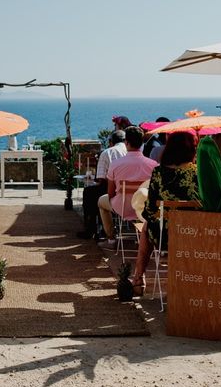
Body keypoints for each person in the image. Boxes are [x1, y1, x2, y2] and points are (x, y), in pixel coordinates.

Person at [132, 131, 199, 294]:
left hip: (164, 235)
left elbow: (150, 208)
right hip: (195, 233)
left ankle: (138, 278)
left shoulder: (158, 173)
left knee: (147, 226)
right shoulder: (197, 173)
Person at [97, 126, 157, 244]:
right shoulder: (153, 165)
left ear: (126, 142)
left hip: (122, 207)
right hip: (144, 208)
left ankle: (111, 238)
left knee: (101, 202)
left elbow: (110, 193)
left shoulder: (115, 164)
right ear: (141, 143)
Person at [77, 130, 126, 239]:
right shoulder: (132, 153)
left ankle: (92, 228)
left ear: (110, 142)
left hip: (113, 193)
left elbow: (101, 179)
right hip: (132, 198)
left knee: (90, 193)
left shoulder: (108, 152)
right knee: (95, 193)